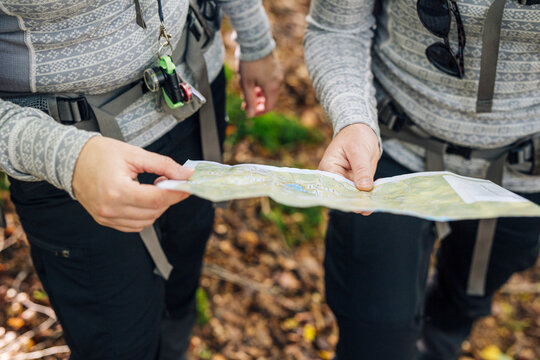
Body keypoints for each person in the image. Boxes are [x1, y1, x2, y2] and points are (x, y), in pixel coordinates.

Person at [0, 0, 281, 359]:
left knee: (180, 289)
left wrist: (255, 36)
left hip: (192, 94)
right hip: (75, 156)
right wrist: (65, 158)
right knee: (119, 343)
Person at [304, 0, 540, 359]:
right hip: (391, 149)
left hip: (523, 173)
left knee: (462, 304)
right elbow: (336, 26)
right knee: (374, 337)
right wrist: (353, 118)